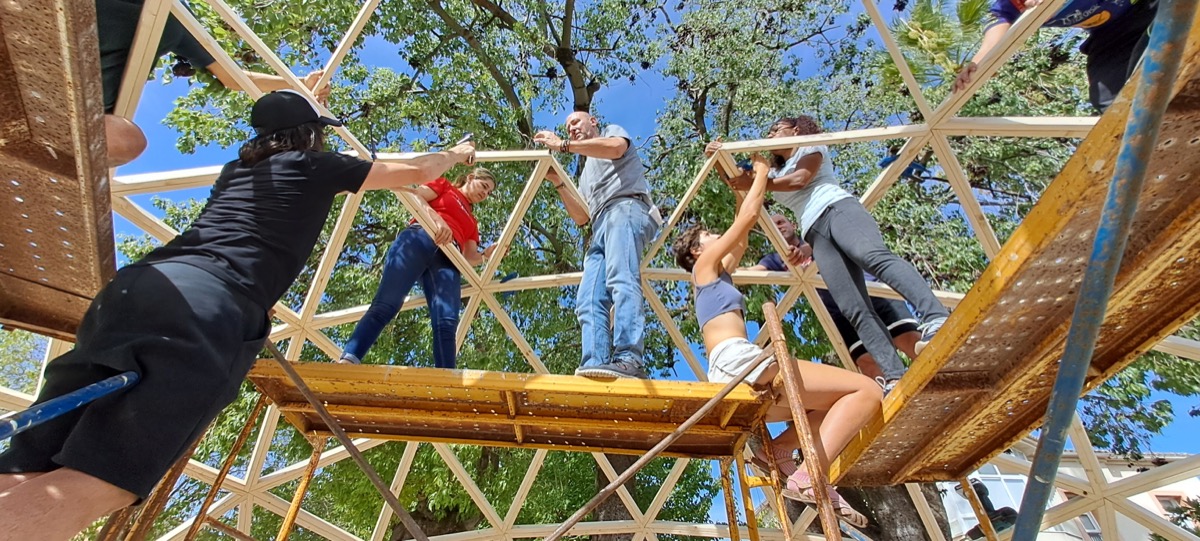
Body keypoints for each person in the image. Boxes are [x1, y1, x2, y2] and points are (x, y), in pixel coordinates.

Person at [0, 90, 476, 541]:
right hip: (205, 311)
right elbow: (417, 169)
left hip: (132, 291)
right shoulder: (312, 165)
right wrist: (453, 156)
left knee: (26, 461)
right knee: (106, 476)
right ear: (310, 136)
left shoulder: (236, 170)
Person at [671, 154, 880, 528]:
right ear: (697, 252)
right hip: (740, 363)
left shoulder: (718, 275)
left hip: (736, 369)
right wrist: (763, 170)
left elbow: (742, 229)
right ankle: (811, 475)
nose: (719, 237)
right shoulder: (703, 269)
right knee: (866, 391)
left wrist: (741, 184)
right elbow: (747, 219)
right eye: (710, 237)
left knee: (826, 408)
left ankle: (782, 452)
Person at [705, 116, 950, 394]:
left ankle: (935, 316)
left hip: (837, 209)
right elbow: (738, 180)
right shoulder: (774, 173)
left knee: (871, 256)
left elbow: (801, 179)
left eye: (777, 129)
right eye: (769, 131)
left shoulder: (810, 146)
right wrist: (718, 159)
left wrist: (760, 179)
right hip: (815, 232)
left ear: (795, 131)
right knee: (851, 305)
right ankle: (894, 375)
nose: (771, 133)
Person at [100, 0, 331, 166]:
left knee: (129, 142)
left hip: (94, 110)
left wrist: (299, 83)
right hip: (66, 57)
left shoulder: (177, 16)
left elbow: (231, 77)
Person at [534, 111, 660, 379]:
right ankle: (596, 363)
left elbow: (616, 149)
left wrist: (563, 146)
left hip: (626, 207)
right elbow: (581, 216)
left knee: (621, 278)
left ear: (593, 122)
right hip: (599, 225)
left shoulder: (612, 133)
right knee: (588, 299)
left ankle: (629, 358)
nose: (571, 129)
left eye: (575, 122)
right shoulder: (585, 175)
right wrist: (558, 181)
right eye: (567, 128)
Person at [339, 168, 498, 368]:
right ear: (471, 177)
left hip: (449, 260)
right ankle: (350, 358)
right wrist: (437, 219)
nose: (484, 194)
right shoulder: (444, 186)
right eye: (484, 186)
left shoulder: (472, 222)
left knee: (447, 321)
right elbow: (416, 196)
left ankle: (447, 381)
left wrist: (487, 255)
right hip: (419, 238)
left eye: (488, 193)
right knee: (386, 304)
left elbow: (470, 256)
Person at [747, 214, 923, 380]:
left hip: (869, 291)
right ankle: (893, 395)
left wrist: (808, 248)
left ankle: (939, 378)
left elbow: (833, 234)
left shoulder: (814, 236)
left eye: (780, 222)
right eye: (772, 226)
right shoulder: (775, 259)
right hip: (840, 311)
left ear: (793, 225)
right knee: (866, 360)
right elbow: (753, 272)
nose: (778, 227)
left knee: (907, 338)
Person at [952, 0, 1158, 112]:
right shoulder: (1010, 6)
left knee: (1168, 35)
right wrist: (978, 64)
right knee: (1110, 101)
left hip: (1145, 7)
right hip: (1111, 36)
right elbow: (996, 31)